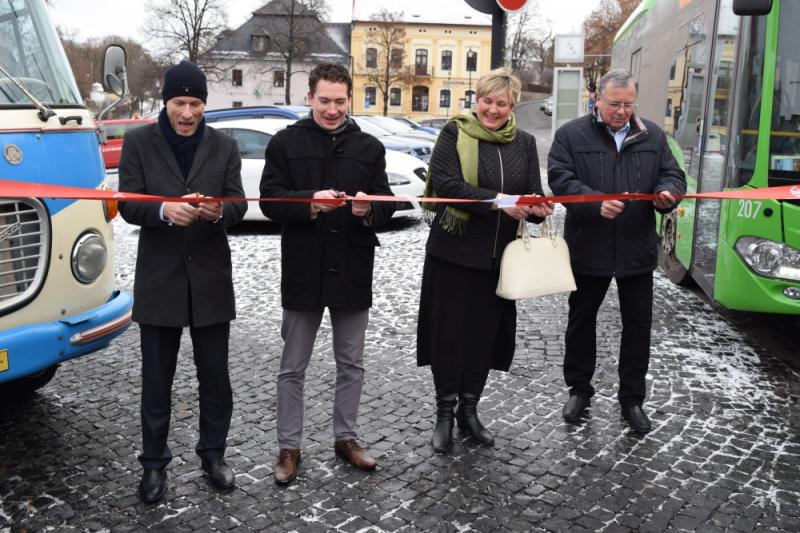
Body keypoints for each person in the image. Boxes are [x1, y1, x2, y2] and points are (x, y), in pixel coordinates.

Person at [260, 62, 396, 485]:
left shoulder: (369, 146)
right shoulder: (285, 142)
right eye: (324, 101)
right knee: (292, 365)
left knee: (351, 363)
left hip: (352, 266)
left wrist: (367, 208)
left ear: (350, 99)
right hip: (303, 267)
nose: (332, 109)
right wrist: (310, 202)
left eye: (340, 101)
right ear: (309, 97)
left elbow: (387, 204)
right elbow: (268, 201)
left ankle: (346, 437)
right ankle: (289, 446)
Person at [118, 60, 246, 503]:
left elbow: (238, 204)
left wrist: (218, 212)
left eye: (195, 104)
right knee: (157, 381)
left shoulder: (225, 146)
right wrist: (161, 211)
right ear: (165, 102)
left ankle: (214, 455)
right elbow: (127, 204)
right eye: (179, 103)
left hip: (210, 281)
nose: (187, 113)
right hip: (160, 282)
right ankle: (154, 464)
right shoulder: (138, 143)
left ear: (204, 105)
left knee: (215, 379)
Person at [417, 68, 553, 453]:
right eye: (487, 101)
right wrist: (500, 202)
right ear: (476, 100)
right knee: (448, 338)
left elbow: (531, 195)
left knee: (482, 339)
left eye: (502, 103)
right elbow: (449, 187)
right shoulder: (454, 133)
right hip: (453, 256)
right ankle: (444, 413)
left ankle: (470, 410)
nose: (493, 109)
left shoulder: (524, 143)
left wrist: (539, 209)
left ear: (512, 105)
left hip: (499, 261)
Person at [547, 69, 687, 434]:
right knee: (581, 323)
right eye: (614, 104)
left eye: (628, 104)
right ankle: (579, 390)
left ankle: (632, 399)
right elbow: (560, 179)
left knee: (638, 327)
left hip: (636, 249)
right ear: (597, 99)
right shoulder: (570, 135)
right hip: (587, 246)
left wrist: (667, 194)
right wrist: (595, 203)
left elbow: (674, 175)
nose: (621, 111)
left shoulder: (653, 135)